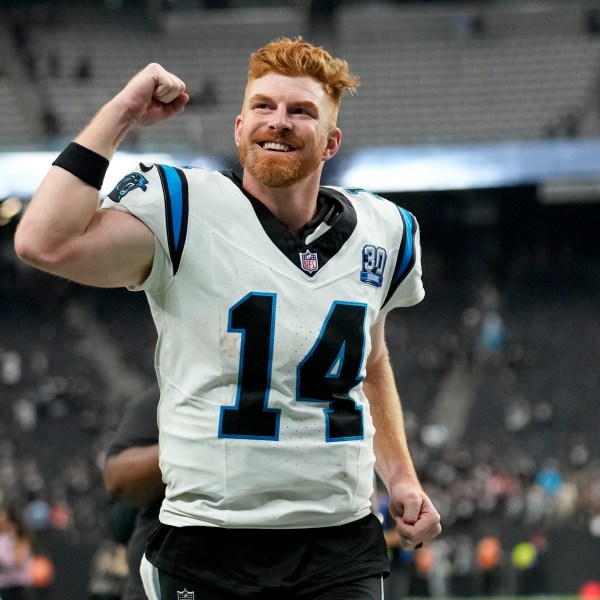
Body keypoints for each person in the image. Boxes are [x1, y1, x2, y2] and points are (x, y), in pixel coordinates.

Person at [14, 36, 441, 599]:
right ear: (238, 128)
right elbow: (42, 241)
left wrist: (402, 476)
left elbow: (372, 359)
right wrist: (120, 114)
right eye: (263, 106)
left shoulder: (383, 230)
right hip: (208, 543)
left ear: (331, 141)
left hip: (338, 543)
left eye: (301, 111)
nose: (279, 122)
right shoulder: (182, 207)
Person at [103, 385, 163, 600]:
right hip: (162, 580)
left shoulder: (162, 398)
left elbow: (118, 524)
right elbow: (119, 520)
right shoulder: (159, 400)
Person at [0, 506, 36, 600]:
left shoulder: (16, 535)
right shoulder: (2, 537)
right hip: (5, 586)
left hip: (20, 585)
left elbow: (16, 560)